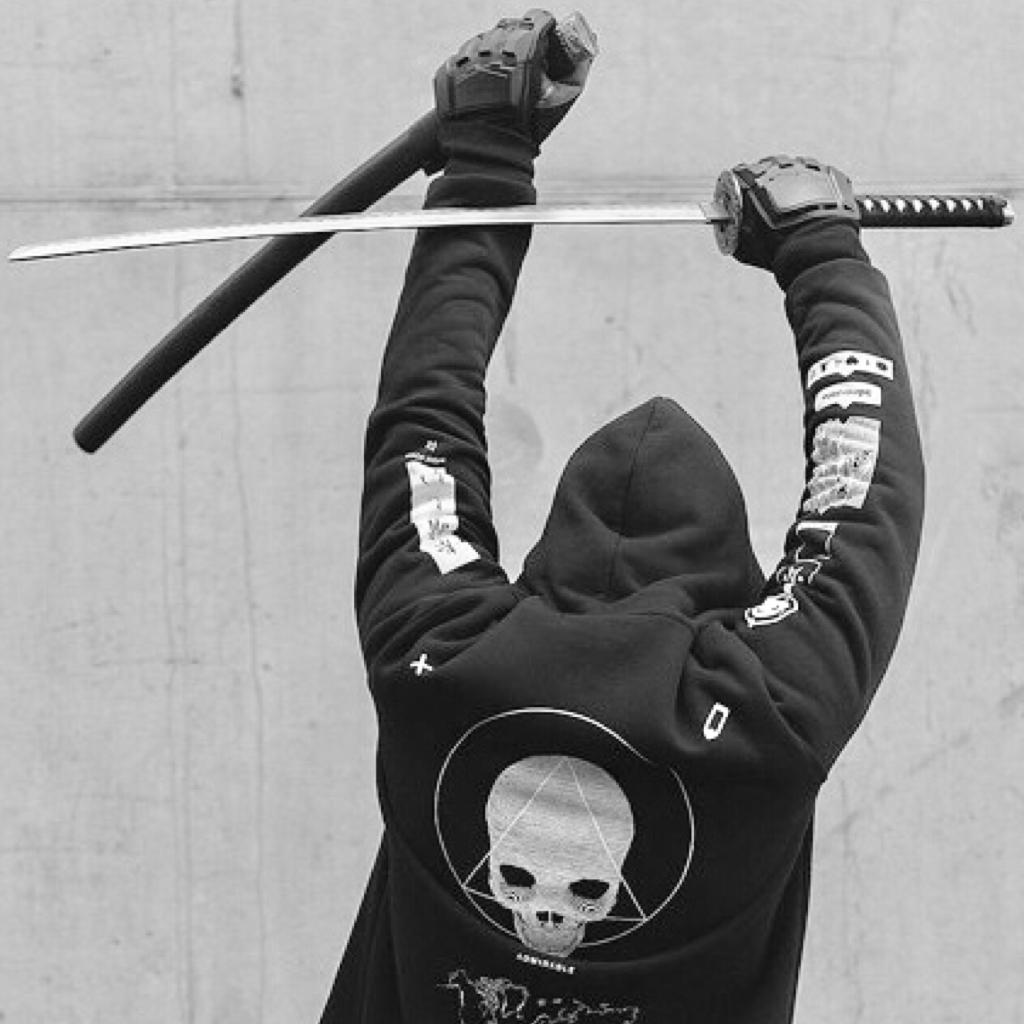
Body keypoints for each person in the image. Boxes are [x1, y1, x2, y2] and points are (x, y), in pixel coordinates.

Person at [319, 10, 925, 1024]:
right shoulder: (772, 710)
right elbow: (862, 489)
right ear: (734, 590)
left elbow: (423, 418)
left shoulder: (440, 649)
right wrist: (822, 262)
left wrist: (485, 160)